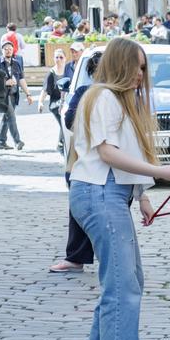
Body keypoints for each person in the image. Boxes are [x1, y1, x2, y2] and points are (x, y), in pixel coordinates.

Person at [68, 38, 170, 340]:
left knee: (123, 281)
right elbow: (108, 154)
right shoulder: (104, 97)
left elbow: (123, 155)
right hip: (101, 192)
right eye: (137, 66)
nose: (141, 74)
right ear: (121, 65)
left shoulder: (113, 98)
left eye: (143, 67)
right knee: (123, 285)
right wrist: (160, 172)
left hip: (106, 192)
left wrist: (142, 196)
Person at [50, 51, 101, 274]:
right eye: (97, 70)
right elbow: (70, 120)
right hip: (83, 156)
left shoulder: (123, 94)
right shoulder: (83, 92)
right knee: (78, 205)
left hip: (112, 162)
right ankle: (76, 256)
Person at [0, 41, 33, 150]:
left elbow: (21, 79)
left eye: (10, 49)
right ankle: (17, 141)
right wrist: (5, 83)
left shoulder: (16, 63)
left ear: (13, 50)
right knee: (11, 116)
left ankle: (1, 141)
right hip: (2, 96)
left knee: (7, 117)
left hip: (14, 94)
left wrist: (28, 94)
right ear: (2, 50)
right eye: (5, 49)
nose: (8, 51)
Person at [38, 49, 68, 153]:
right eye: (56, 57)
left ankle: (61, 144)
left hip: (66, 102)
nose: (58, 59)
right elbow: (45, 89)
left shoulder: (68, 70)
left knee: (65, 123)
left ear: (65, 59)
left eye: (61, 57)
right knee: (64, 122)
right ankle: (61, 145)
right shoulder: (51, 73)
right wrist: (40, 102)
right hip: (56, 103)